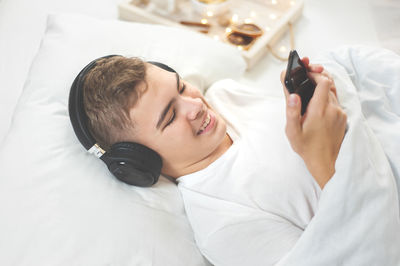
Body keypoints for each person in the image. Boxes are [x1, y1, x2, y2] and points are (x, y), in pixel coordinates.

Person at [80, 55, 347, 265]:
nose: (195, 106)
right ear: (141, 160)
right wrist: (326, 163)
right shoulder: (223, 226)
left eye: (182, 87)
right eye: (171, 117)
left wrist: (329, 95)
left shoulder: (225, 95)